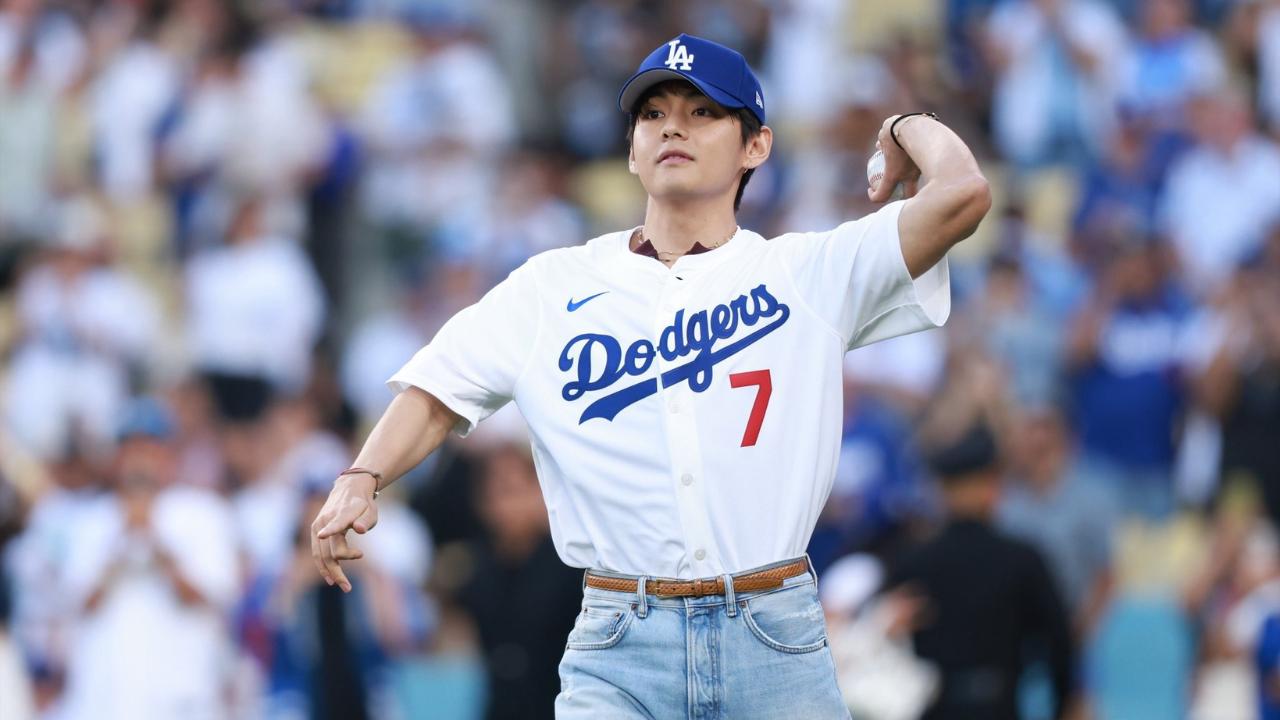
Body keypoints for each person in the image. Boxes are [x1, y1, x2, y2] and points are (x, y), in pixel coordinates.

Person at [313, 33, 990, 718]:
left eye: (703, 112)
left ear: (756, 145)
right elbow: (439, 387)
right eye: (653, 113)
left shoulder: (805, 271)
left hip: (774, 632)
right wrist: (360, 476)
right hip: (620, 637)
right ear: (633, 150)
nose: (673, 126)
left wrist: (909, 126)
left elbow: (963, 193)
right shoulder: (554, 286)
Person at [885, 423, 1077, 720]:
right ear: (992, 488)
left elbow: (888, 637)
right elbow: (1058, 642)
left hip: (930, 707)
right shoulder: (1021, 559)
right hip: (999, 707)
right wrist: (1062, 704)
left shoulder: (914, 561)